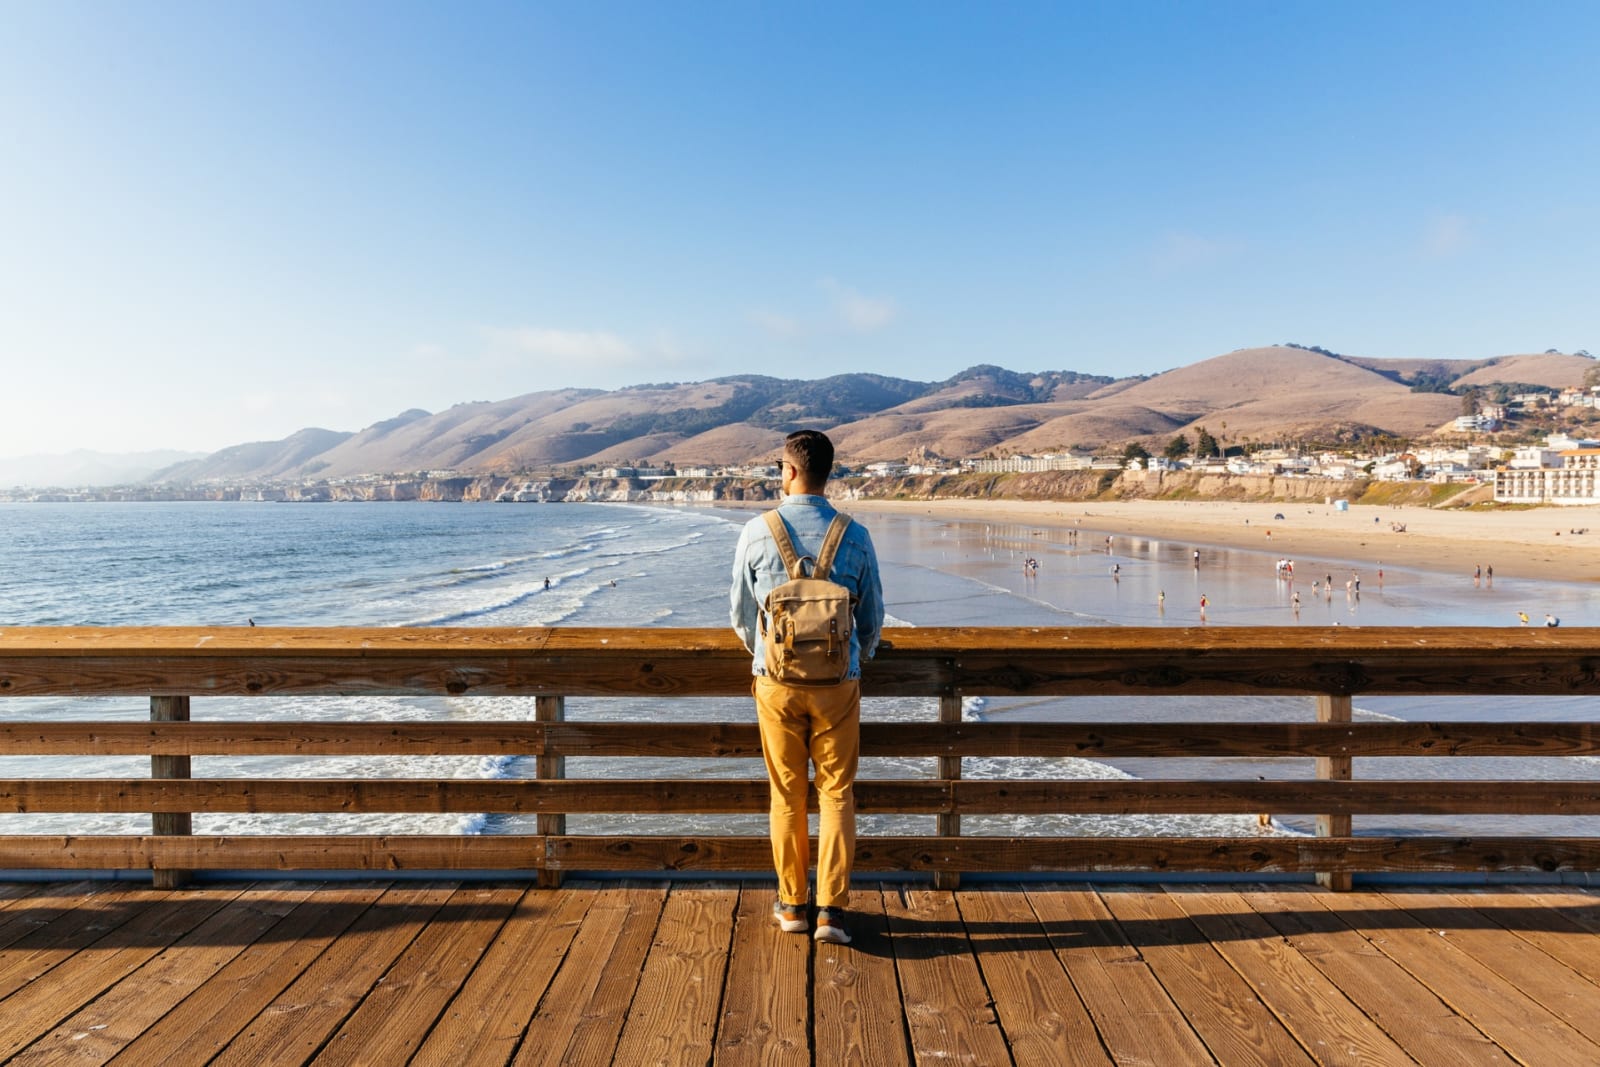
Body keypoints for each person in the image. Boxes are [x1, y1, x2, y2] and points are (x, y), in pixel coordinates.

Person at [730, 430, 883, 946]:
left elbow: (738, 615)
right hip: (839, 686)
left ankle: (793, 904)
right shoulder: (855, 534)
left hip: (776, 683)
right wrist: (852, 660)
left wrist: (771, 650)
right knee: (837, 793)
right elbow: (873, 621)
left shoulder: (757, 531)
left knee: (787, 795)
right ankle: (832, 913)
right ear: (827, 472)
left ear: (789, 471)